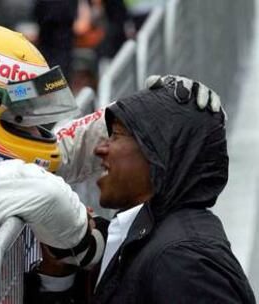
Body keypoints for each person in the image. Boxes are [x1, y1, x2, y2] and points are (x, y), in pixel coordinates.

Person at [0, 21, 220, 303]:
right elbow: (41, 189)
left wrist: (158, 109)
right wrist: (86, 244)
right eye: (20, 114)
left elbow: (62, 151)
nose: (35, 127)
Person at [26, 76, 256, 303]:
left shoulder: (183, 259)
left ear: (159, 152)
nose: (100, 150)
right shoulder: (144, 236)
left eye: (115, 136)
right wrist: (58, 278)